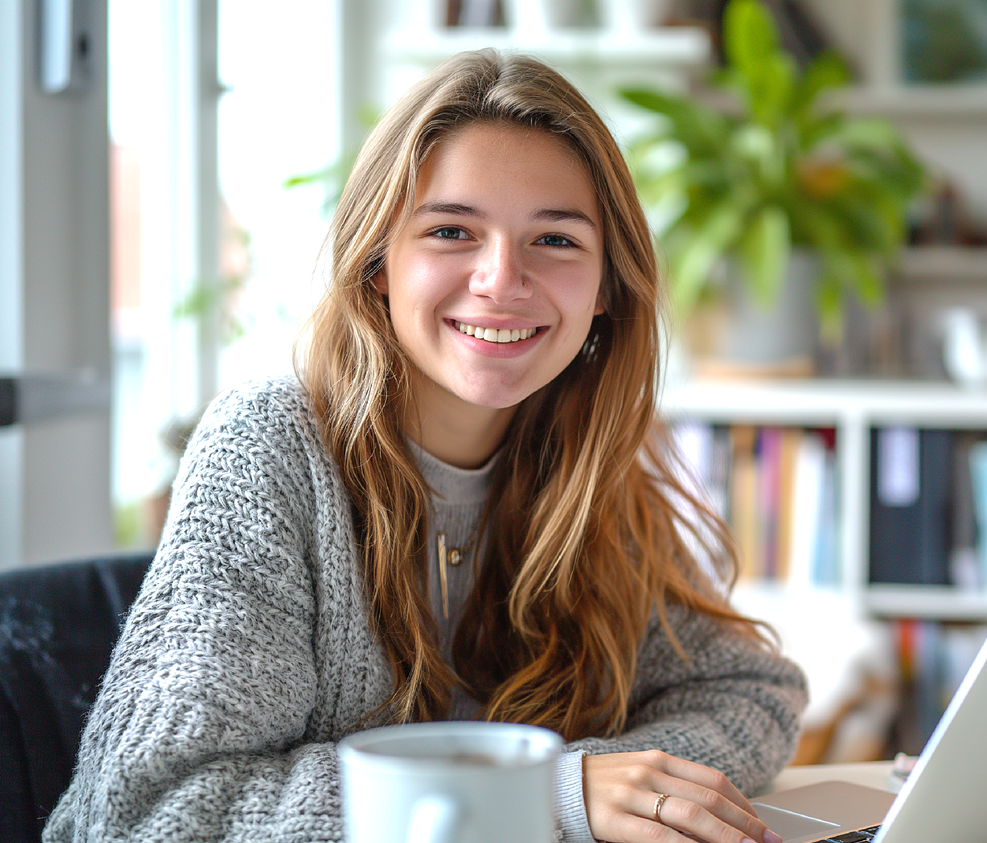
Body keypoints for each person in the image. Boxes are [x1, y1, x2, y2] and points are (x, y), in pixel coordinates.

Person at [45, 50, 807, 843]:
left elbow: (749, 689)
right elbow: (159, 811)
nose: (500, 279)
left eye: (555, 240)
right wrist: (542, 792)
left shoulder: (584, 462)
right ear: (378, 261)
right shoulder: (265, 450)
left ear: (608, 287)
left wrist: (616, 786)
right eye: (451, 230)